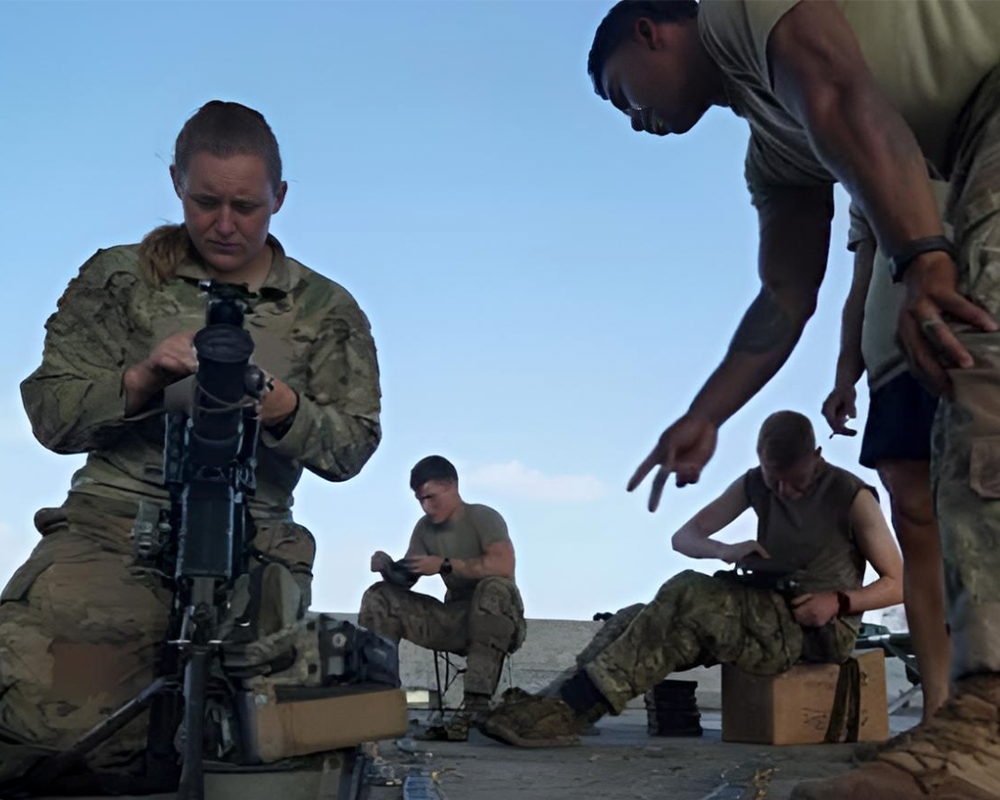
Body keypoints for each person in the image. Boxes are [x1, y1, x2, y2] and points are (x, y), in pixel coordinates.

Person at [587, 2, 1000, 795]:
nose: (632, 120)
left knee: (974, 347)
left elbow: (841, 90)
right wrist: (707, 414)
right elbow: (784, 295)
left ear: (650, 31)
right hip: (973, 133)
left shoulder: (739, 12)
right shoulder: (774, 145)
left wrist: (920, 260)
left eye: (620, 94)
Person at [0, 101, 382, 787]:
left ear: (280, 199)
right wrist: (144, 378)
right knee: (45, 734)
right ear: (177, 182)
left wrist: (280, 404)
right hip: (113, 529)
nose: (226, 224)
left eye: (247, 206)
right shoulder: (119, 279)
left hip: (256, 538)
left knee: (266, 742)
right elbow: (52, 416)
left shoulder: (327, 309)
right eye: (206, 202)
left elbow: (352, 446)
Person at [479, 411, 903, 747]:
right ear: (760, 460)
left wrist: (839, 602)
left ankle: (570, 708)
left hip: (815, 629)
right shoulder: (757, 483)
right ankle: (557, 706)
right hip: (761, 610)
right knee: (632, 618)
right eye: (775, 479)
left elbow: (900, 581)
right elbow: (684, 536)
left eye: (795, 482)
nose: (784, 491)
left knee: (688, 592)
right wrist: (726, 550)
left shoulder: (852, 495)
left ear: (816, 457)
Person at [822, 185, 951, 724]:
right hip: (894, 357)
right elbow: (863, 277)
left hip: (977, 336)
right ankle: (940, 711)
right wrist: (845, 369)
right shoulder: (862, 152)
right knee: (917, 521)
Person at [359, 455, 525, 739]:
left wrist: (446, 564)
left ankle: (475, 708)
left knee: (492, 590)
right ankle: (378, 700)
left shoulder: (482, 517)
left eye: (431, 497)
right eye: (420, 499)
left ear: (452, 486)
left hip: (499, 620)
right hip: (456, 620)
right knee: (380, 597)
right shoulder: (425, 529)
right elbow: (406, 580)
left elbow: (503, 566)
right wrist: (389, 568)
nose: (426, 506)